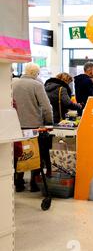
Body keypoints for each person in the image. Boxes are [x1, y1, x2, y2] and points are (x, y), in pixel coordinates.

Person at [12, 63, 53, 192]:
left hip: (16, 126)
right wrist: (49, 123)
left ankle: (18, 182)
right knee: (36, 154)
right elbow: (46, 107)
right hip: (34, 126)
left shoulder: (13, 84)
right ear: (36, 74)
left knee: (19, 154)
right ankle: (34, 184)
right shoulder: (37, 85)